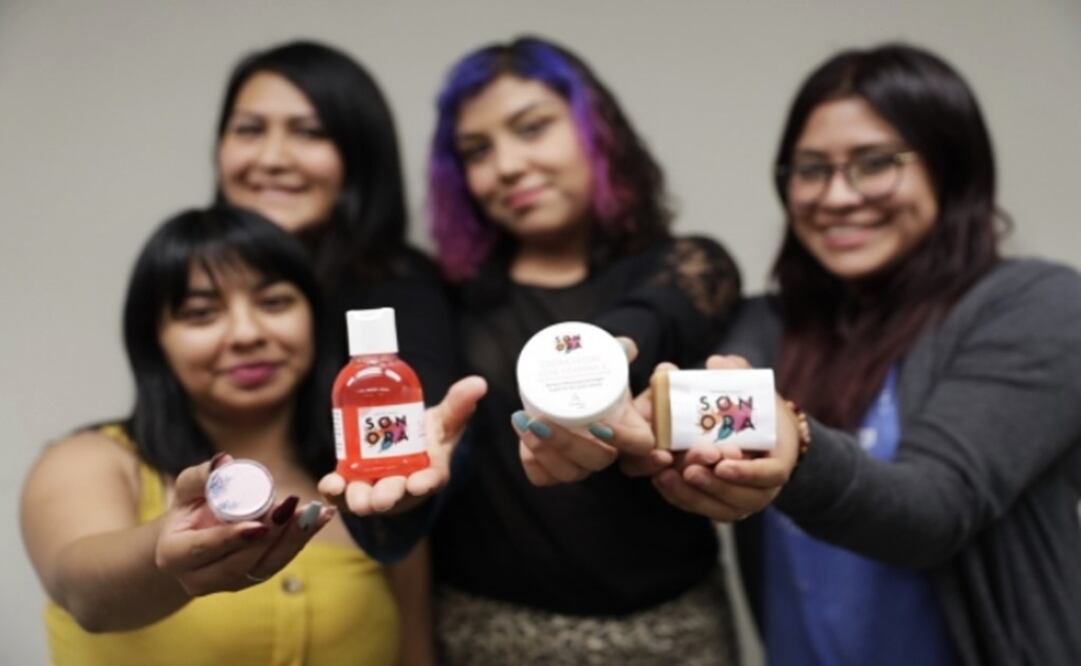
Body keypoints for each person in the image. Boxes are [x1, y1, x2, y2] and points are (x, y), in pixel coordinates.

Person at [633, 44, 1081, 666]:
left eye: (874, 164)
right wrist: (627, 424)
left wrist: (795, 445)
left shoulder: (1041, 306)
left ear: (951, 170)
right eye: (811, 169)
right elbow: (700, 408)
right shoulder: (766, 326)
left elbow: (933, 509)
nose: (838, 197)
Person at [20, 207, 483, 665]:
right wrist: (168, 551)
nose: (246, 334)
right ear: (154, 340)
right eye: (201, 313)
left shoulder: (372, 489)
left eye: (274, 302)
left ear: (314, 320)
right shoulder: (89, 461)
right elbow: (85, 595)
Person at [423, 36, 745, 665]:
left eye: (532, 127)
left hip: (675, 630)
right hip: (492, 634)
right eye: (477, 151)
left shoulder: (686, 265)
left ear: (597, 132)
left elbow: (660, 313)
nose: (508, 165)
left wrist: (607, 358)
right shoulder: (444, 299)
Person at [214, 41, 462, 514]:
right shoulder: (188, 267)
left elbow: (418, 437)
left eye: (308, 133)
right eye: (249, 130)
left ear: (357, 155)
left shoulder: (402, 287)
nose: (271, 158)